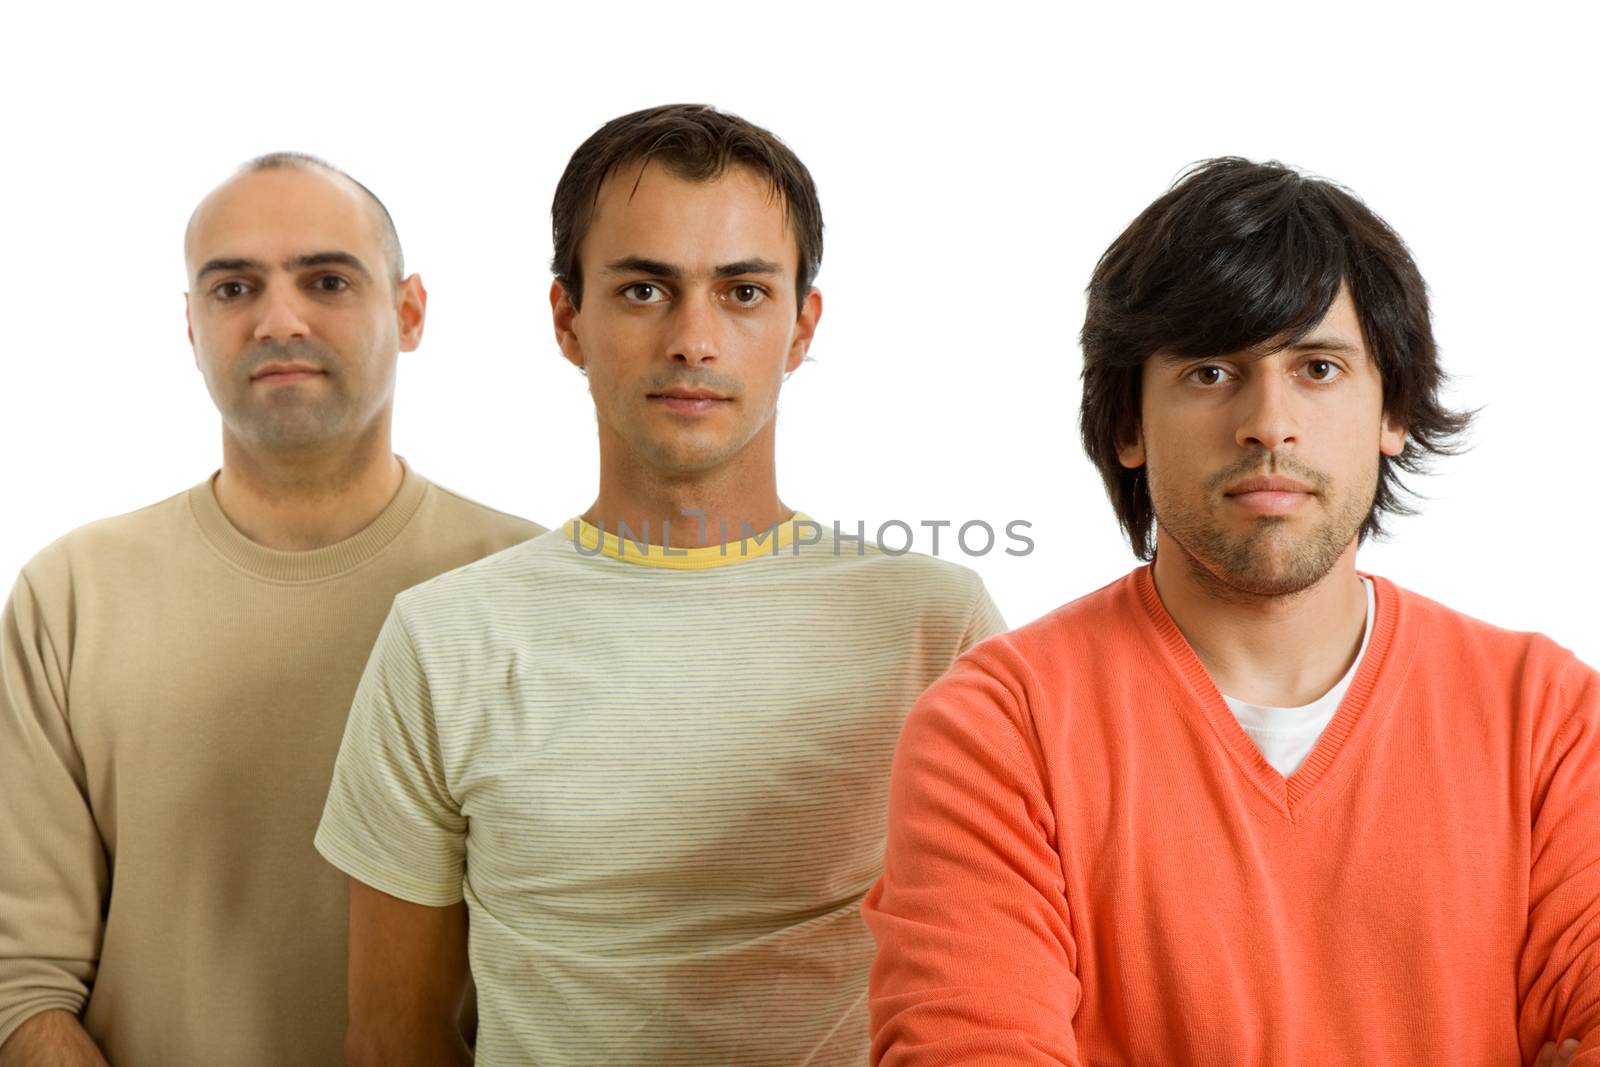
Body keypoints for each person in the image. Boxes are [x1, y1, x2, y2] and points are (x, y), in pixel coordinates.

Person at [864, 157, 1599, 1066]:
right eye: (1212, 371)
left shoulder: (1551, 719)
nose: (1269, 422)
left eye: (1319, 367)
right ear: (1128, 424)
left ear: (1393, 411)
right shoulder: (997, 730)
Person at [314, 103, 1004, 1066]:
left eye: (743, 293)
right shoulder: (446, 640)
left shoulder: (934, 625)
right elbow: (395, 1038)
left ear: (803, 326)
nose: (694, 338)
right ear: (568, 319)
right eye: (644, 290)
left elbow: (995, 991)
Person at [0, 153, 543, 1067]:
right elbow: (24, 983)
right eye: (233, 286)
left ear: (410, 312)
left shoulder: (528, 586)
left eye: (326, 280)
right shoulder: (70, 595)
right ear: (190, 323)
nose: (277, 319)